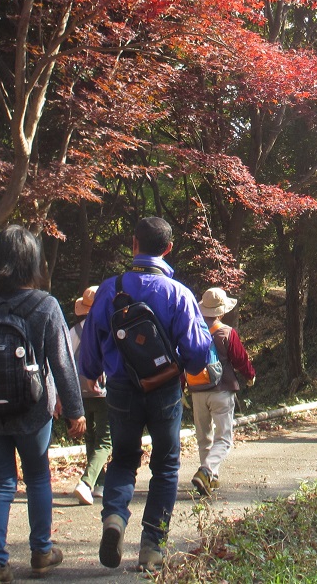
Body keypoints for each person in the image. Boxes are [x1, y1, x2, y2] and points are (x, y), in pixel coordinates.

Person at [79, 217, 214, 573]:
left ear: (134, 244)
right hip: (165, 389)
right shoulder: (179, 294)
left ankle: (114, 519)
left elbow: (91, 349)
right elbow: (199, 353)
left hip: (120, 389)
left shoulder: (110, 289)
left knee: (123, 459)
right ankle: (152, 546)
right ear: (168, 249)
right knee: (166, 465)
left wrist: (92, 375)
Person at [0, 226, 86, 583]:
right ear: (33, 262)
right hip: (33, 411)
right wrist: (75, 410)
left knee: (0, 482)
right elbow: (62, 362)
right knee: (38, 477)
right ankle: (41, 551)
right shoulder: (44, 304)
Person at [189, 287, 256, 497]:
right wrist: (250, 375)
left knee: (204, 437)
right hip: (222, 391)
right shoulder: (226, 332)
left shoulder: (191, 330)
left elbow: (183, 358)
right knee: (224, 439)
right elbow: (240, 359)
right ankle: (207, 471)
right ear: (221, 311)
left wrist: (183, 384)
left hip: (197, 390)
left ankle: (209, 478)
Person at [68, 286, 110, 506]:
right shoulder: (106, 328)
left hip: (80, 392)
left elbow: (66, 362)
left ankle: (99, 484)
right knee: (106, 441)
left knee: (91, 438)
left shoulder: (74, 331)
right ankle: (86, 482)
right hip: (104, 391)